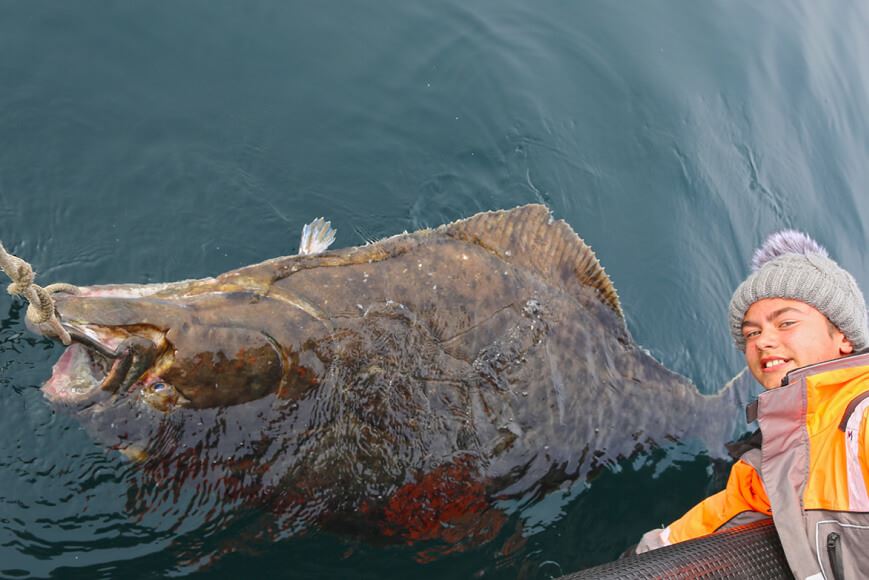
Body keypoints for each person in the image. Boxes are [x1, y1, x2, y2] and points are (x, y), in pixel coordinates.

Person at [635, 230, 869, 580]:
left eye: (786, 322)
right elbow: (707, 526)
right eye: (751, 333)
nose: (764, 342)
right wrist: (635, 562)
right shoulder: (772, 458)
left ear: (845, 338)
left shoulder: (860, 418)